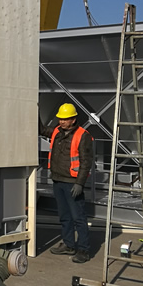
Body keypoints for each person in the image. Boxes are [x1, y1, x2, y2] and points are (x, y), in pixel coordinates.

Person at [39, 103, 93, 263]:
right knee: (64, 216)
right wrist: (35, 110)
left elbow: (86, 162)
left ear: (73, 119)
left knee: (78, 217)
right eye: (60, 119)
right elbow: (41, 130)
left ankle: (83, 250)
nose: (62, 121)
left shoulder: (82, 136)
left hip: (72, 182)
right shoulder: (57, 131)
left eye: (65, 119)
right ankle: (69, 244)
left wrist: (80, 183)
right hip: (58, 180)